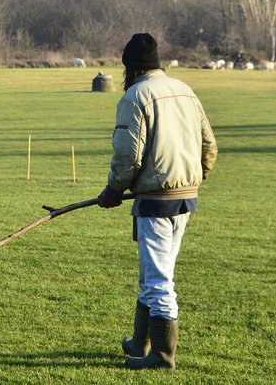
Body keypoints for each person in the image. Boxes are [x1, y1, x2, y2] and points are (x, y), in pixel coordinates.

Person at [96, 33, 218, 370]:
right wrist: (197, 175)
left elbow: (128, 155)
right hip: (185, 197)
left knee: (159, 277)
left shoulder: (136, 96)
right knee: (154, 270)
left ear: (129, 68)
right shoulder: (185, 90)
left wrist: (113, 190)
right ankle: (140, 342)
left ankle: (162, 355)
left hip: (157, 201)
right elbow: (209, 142)